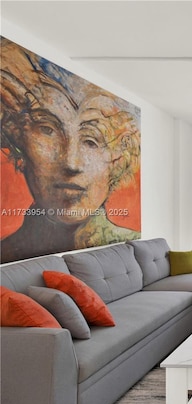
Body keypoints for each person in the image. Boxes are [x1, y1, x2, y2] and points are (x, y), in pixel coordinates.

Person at [1, 37, 141, 263]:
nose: (71, 163)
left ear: (118, 156)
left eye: (91, 140)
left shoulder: (131, 248)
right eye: (47, 130)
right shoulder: (6, 259)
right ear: (17, 137)